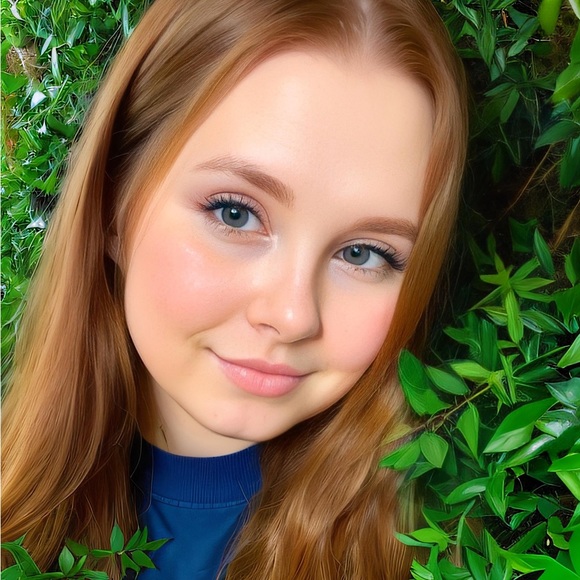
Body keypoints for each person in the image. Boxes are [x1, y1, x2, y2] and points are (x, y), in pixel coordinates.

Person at [1, 0, 468, 577]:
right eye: (235, 213)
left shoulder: (439, 550)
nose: (293, 315)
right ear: (112, 206)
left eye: (363, 253)